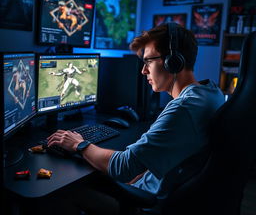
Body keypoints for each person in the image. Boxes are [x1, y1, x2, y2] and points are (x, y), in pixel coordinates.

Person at [46, 23, 225, 215]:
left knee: (60, 192)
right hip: (167, 190)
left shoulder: (183, 108)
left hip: (147, 204)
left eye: (148, 62)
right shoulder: (211, 92)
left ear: (173, 62)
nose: (143, 71)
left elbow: (124, 167)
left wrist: (79, 145)